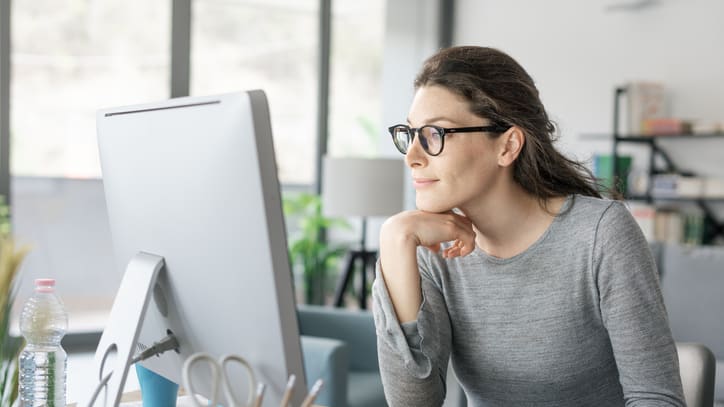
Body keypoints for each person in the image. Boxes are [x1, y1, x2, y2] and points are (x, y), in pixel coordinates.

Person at [371, 46, 685, 406]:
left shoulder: (601, 235)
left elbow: (656, 398)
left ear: (508, 146)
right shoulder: (432, 250)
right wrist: (395, 241)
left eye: (434, 134)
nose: (412, 155)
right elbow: (414, 403)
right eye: (410, 134)